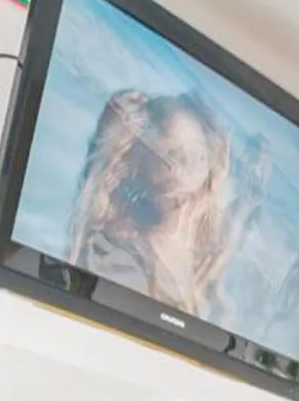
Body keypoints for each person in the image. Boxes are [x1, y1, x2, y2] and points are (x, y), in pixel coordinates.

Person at [66, 90, 243, 325]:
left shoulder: (199, 252)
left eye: (198, 156)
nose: (185, 172)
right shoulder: (115, 252)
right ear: (141, 161)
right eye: (172, 156)